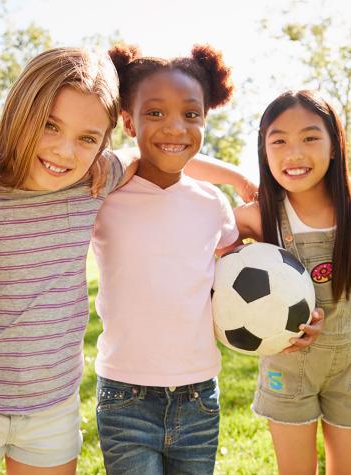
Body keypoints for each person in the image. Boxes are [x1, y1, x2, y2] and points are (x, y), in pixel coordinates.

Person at [0, 46, 256, 475]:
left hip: (52, 409)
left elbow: (155, 154)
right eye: (50, 125)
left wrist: (235, 177)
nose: (65, 152)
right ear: (20, 107)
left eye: (88, 138)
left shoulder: (92, 179)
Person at [91, 45, 323, 475]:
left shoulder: (211, 204)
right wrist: (234, 174)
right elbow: (121, 161)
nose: (175, 127)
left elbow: (240, 275)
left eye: (191, 114)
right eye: (155, 113)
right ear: (128, 121)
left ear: (204, 118)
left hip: (199, 395)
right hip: (125, 395)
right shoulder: (105, 199)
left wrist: (293, 319)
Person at [231, 90, 350, 475]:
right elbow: (197, 221)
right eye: (278, 140)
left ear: (334, 146)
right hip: (288, 370)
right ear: (264, 151)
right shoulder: (259, 217)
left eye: (310, 137)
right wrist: (232, 177)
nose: (293, 153)